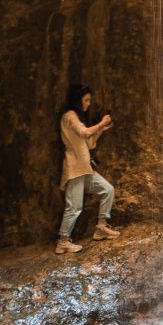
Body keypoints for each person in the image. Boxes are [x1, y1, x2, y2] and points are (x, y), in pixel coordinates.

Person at [56, 83, 120, 255]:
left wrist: (101, 130)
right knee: (74, 207)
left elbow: (89, 143)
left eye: (89, 100)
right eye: (85, 100)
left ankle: (101, 227)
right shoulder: (69, 116)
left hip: (85, 169)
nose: (88, 104)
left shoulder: (77, 119)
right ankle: (62, 241)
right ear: (77, 100)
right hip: (75, 168)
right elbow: (84, 133)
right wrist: (101, 123)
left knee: (108, 190)